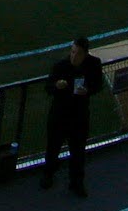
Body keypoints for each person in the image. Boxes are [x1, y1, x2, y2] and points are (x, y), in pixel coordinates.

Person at [40, 36, 103, 197]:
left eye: (78, 53)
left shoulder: (94, 64)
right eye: (73, 52)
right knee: (53, 148)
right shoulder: (60, 66)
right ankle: (48, 175)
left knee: (78, 151)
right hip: (60, 115)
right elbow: (48, 87)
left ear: (85, 54)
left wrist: (87, 90)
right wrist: (56, 86)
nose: (74, 56)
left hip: (79, 115)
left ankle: (76, 182)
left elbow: (98, 85)